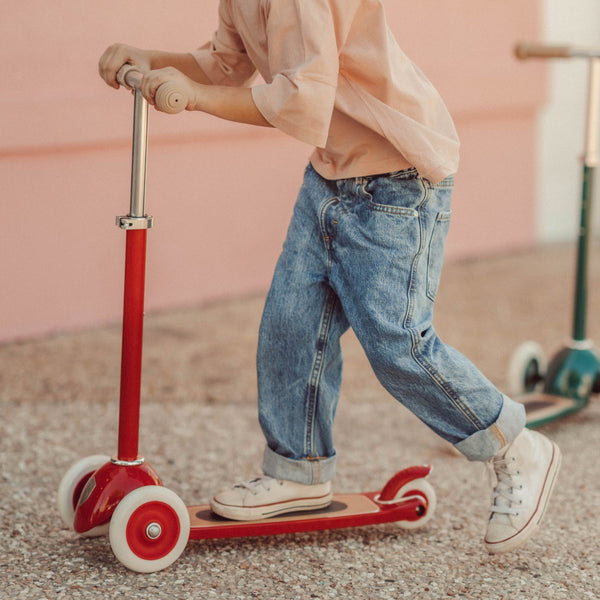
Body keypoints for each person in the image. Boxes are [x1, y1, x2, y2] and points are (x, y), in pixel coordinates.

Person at [99, 0, 561, 554]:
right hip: (332, 174)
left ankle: (513, 444)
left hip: (396, 179)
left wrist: (193, 98)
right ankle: (299, 469)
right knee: (291, 323)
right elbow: (226, 64)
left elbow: (303, 102)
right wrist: (150, 62)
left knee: (398, 345)